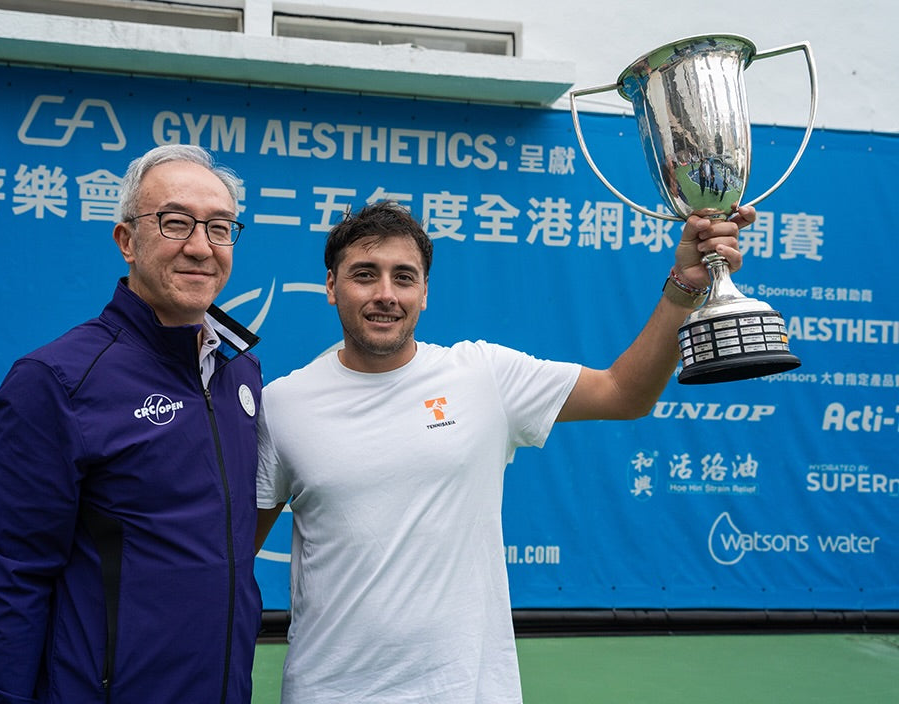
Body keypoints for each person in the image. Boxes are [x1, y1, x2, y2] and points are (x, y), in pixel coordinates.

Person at [255, 199, 749, 703]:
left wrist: (685, 283)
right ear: (332, 287)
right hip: (329, 691)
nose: (386, 294)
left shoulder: (483, 375)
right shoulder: (281, 406)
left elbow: (625, 393)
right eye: (365, 274)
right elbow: (230, 554)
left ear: (425, 292)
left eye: (404, 277)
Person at [0, 143, 262, 704]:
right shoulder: (57, 380)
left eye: (220, 228)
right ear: (127, 241)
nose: (201, 247)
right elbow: (15, 575)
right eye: (176, 223)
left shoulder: (240, 370)